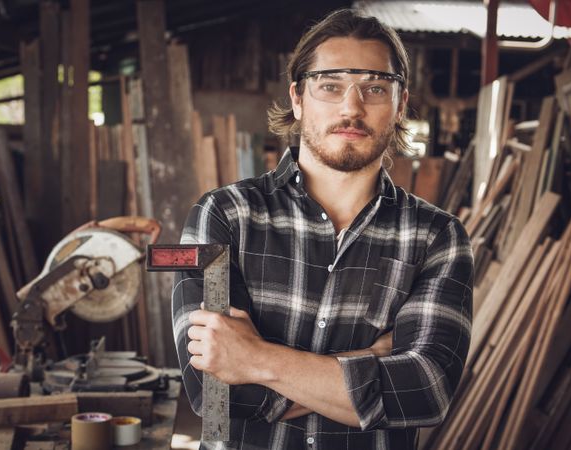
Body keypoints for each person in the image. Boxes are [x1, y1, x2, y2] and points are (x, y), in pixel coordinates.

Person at [172, 8, 473, 450]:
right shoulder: (224, 216)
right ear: (297, 98)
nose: (352, 107)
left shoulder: (437, 238)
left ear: (400, 104)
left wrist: (253, 358)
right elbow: (213, 393)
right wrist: (369, 360)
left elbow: (425, 393)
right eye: (330, 86)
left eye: (374, 87)